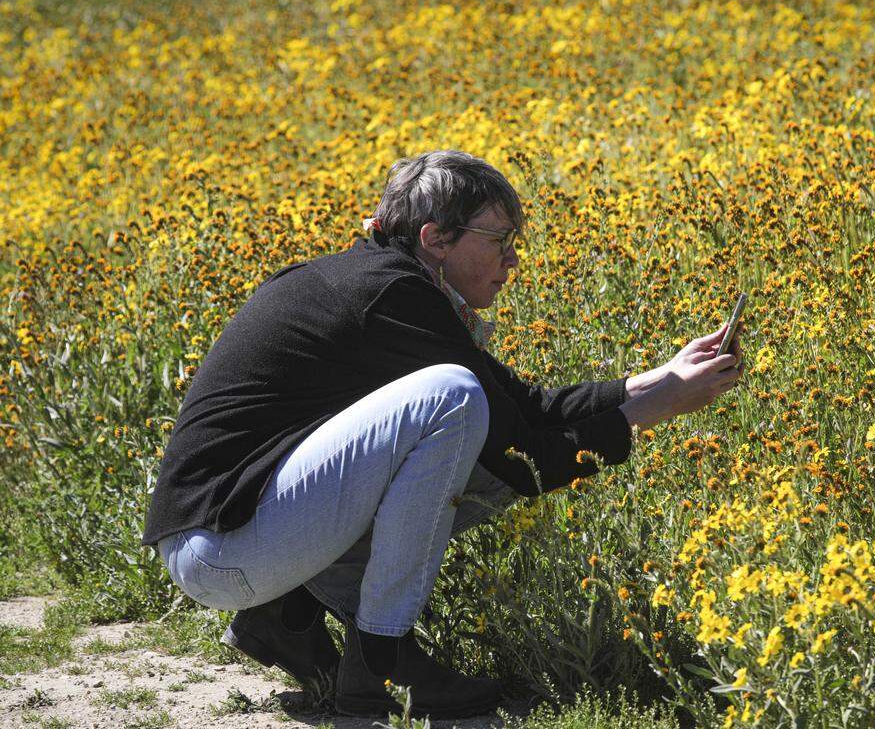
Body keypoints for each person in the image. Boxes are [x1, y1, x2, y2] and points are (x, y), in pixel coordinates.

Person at [141, 149, 743, 718]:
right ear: (434, 239)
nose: (513, 260)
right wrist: (653, 410)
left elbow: (524, 408)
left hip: (236, 542)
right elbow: (520, 451)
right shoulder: (390, 294)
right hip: (222, 551)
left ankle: (288, 615)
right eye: (499, 241)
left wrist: (658, 379)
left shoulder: (385, 282)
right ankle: (381, 658)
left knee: (467, 419)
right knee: (454, 401)